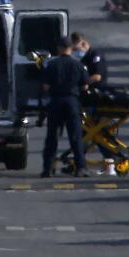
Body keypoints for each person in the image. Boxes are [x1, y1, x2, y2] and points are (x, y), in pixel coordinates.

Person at [40, 38, 89, 178]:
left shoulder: (52, 65)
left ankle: (48, 169)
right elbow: (85, 85)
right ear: (71, 48)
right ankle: (80, 168)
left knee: (52, 137)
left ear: (59, 48)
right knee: (75, 137)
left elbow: (45, 86)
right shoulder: (78, 65)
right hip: (72, 101)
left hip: (56, 101)